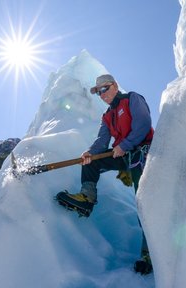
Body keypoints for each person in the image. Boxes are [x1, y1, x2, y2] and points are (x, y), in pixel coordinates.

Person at [55, 74, 154, 274]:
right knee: (91, 163)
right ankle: (86, 198)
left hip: (143, 155)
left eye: (104, 89)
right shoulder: (107, 116)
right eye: (98, 92)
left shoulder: (132, 99)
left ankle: (149, 254)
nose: (101, 94)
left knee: (144, 203)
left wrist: (125, 145)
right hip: (124, 155)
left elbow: (143, 124)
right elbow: (102, 140)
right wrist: (90, 153)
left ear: (115, 85)